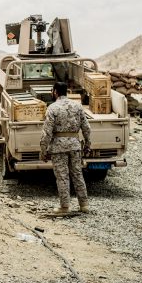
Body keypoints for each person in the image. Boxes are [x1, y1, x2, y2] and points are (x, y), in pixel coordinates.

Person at [40, 82, 91, 215]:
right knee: (77, 174)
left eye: (52, 91)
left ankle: (65, 206)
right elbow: (86, 127)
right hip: (75, 146)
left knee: (62, 177)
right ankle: (84, 205)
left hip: (58, 148)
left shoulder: (52, 108)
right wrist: (87, 145)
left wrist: (43, 150)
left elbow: (47, 132)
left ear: (55, 92)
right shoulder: (77, 106)